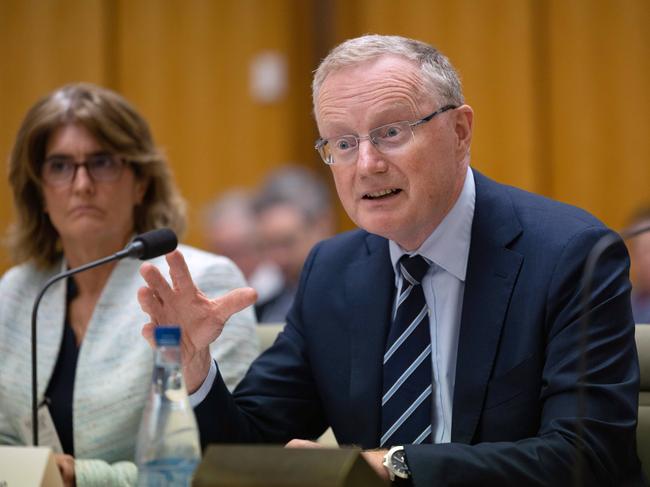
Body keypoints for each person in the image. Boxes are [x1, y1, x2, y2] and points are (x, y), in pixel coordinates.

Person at [137, 35, 642, 485]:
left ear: (461, 131)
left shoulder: (570, 254)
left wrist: (392, 466)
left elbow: (588, 457)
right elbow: (254, 451)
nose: (367, 164)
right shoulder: (332, 271)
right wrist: (198, 372)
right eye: (342, 142)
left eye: (392, 132)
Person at [0, 83, 258, 486]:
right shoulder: (20, 291)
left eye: (102, 163)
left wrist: (81, 478)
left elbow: (226, 461)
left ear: (140, 181)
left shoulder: (199, 283)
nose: (82, 184)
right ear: (39, 191)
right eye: (60, 166)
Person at [254, 165, 335, 323]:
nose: (278, 258)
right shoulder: (262, 309)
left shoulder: (364, 294)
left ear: (322, 225)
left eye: (287, 243)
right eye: (268, 246)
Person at [201, 189, 283, 304]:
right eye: (221, 253)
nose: (228, 263)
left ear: (260, 248)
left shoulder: (285, 289)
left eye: (236, 253)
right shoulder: (206, 292)